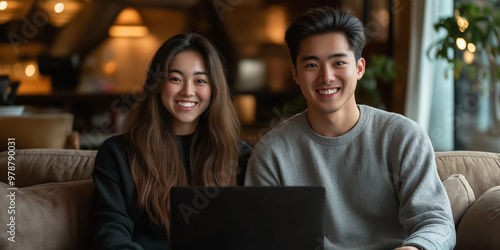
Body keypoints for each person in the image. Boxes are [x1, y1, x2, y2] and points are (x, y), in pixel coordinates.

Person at [244, 7, 455, 250]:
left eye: (339, 62)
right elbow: (261, 235)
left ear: (359, 68)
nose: (326, 77)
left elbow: (437, 222)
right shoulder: (272, 152)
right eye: (312, 65)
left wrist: (413, 248)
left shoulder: (402, 136)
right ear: (296, 74)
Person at [89, 33, 252, 249]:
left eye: (200, 80)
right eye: (175, 79)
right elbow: (110, 229)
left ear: (215, 90)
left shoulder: (240, 157)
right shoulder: (118, 154)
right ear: (157, 84)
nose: (187, 91)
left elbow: (253, 233)